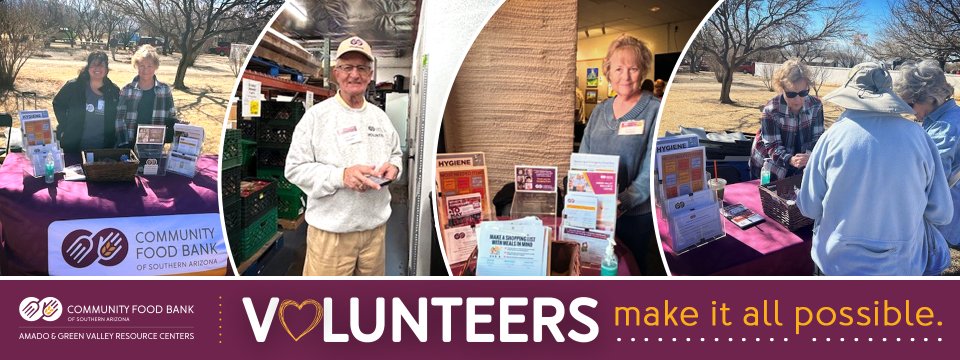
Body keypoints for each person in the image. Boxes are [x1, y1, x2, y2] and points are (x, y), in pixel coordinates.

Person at [797, 62, 952, 276]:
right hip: (902, 267)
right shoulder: (920, 138)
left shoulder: (831, 137)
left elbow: (808, 207)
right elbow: (942, 213)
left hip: (838, 265)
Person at [285, 36, 403, 276]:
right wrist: (342, 176)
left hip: (375, 233)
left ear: (370, 75)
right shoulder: (317, 117)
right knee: (328, 309)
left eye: (361, 68)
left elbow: (396, 154)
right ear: (336, 73)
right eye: (347, 67)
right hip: (332, 236)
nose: (354, 75)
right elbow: (295, 169)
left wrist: (394, 168)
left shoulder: (380, 117)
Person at [579, 34, 661, 275]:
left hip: (634, 215)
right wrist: (581, 196)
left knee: (631, 269)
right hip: (595, 210)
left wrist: (623, 201)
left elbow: (651, 167)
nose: (625, 76)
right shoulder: (600, 111)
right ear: (608, 72)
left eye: (633, 68)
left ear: (643, 70)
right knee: (595, 266)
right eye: (618, 69)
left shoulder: (654, 110)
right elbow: (584, 156)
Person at [894, 60, 960, 247]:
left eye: (910, 104)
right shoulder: (949, 115)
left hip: (949, 218)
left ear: (931, 97)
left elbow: (929, 180)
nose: (908, 111)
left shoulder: (945, 128)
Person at [749, 60, 824, 181]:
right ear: (781, 89)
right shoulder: (771, 110)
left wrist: (809, 156)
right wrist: (790, 159)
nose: (798, 99)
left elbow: (818, 139)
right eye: (791, 94)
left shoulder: (816, 106)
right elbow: (773, 146)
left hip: (801, 165)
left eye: (803, 93)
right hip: (770, 164)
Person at [52, 51, 121, 153]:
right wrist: (65, 125)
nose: (97, 69)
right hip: (74, 147)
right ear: (88, 67)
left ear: (106, 69)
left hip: (103, 150)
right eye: (94, 65)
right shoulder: (74, 86)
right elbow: (58, 103)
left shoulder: (113, 91)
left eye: (101, 65)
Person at [116, 44, 178, 147]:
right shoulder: (127, 90)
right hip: (130, 143)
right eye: (142, 66)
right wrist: (124, 143)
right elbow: (119, 119)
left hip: (154, 145)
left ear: (155, 67)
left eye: (149, 66)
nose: (146, 70)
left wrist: (179, 126)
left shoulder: (164, 90)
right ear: (136, 66)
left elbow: (171, 116)